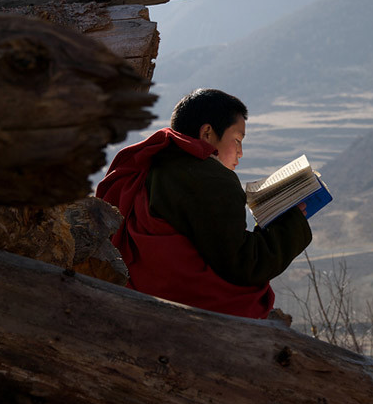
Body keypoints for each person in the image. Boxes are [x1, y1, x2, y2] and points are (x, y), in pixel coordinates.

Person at [96, 89, 312, 319]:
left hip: (136, 290)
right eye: (237, 140)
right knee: (252, 299)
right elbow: (245, 265)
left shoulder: (157, 162)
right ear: (207, 132)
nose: (240, 152)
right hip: (185, 307)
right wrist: (290, 223)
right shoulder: (212, 177)